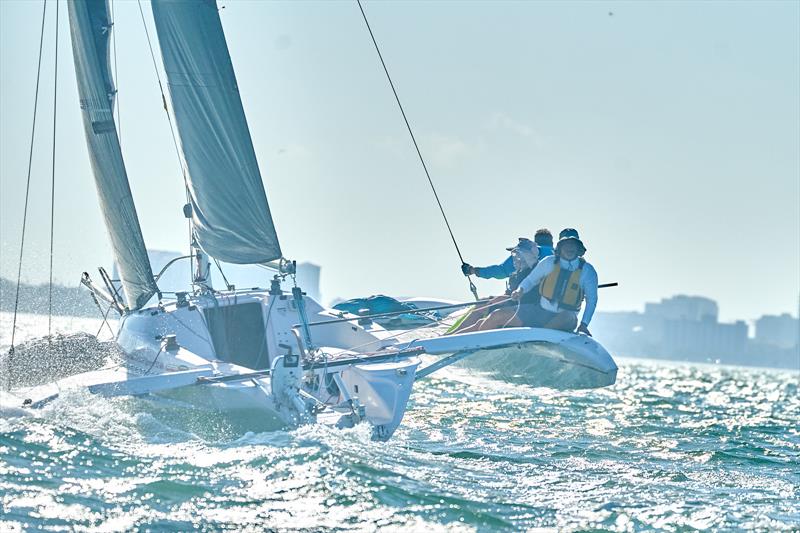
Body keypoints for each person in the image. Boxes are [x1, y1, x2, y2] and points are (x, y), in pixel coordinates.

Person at [468, 228, 598, 335]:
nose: (570, 248)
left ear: (578, 249)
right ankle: (473, 346)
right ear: (560, 247)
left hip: (565, 319)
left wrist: (584, 324)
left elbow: (592, 300)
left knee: (568, 317)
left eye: (573, 245)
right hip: (539, 311)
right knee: (496, 316)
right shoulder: (548, 262)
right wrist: (520, 290)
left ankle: (540, 336)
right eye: (567, 245)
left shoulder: (588, 271)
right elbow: (530, 281)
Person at [450, 238, 540, 334]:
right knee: (481, 305)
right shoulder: (518, 272)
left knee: (487, 320)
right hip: (511, 303)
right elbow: (510, 291)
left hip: (520, 307)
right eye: (515, 255)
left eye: (518, 255)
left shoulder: (536, 272)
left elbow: (531, 296)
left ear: (527, 256)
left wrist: (507, 298)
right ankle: (450, 336)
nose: (515, 258)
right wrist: (502, 297)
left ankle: (454, 339)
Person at [461, 229, 554, 281]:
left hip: (528, 298)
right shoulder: (560, 254)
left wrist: (473, 270)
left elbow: (501, 271)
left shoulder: (529, 253)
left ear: (535, 241)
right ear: (552, 242)